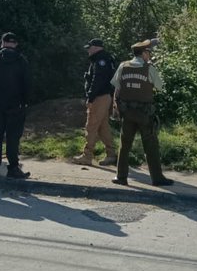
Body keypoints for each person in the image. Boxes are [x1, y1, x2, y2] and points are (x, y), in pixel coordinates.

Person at [111, 40, 174, 187]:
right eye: (148, 53)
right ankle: (157, 178)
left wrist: (116, 107)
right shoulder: (149, 68)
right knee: (150, 145)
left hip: (127, 113)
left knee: (124, 145)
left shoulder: (123, 66)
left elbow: (117, 88)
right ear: (144, 53)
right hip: (144, 114)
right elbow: (160, 86)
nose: (149, 55)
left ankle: (121, 177)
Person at [0, 31, 32, 179]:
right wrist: (26, 101)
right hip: (16, 105)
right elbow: (27, 84)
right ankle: (13, 168)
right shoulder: (21, 61)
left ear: (2, 43)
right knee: (13, 138)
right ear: (15, 44)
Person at [72, 38, 118, 167]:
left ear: (96, 47)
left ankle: (87, 156)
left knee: (91, 126)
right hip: (104, 96)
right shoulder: (103, 59)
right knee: (103, 127)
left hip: (99, 97)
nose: (88, 50)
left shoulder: (100, 60)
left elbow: (97, 80)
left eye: (89, 47)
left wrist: (90, 97)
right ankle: (111, 154)